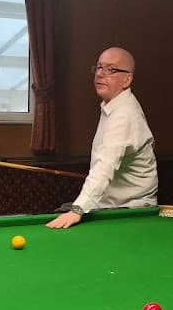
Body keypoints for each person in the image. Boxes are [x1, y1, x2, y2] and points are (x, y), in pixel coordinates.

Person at [46, 46, 158, 229]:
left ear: (127, 79)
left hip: (131, 212)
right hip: (113, 208)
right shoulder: (113, 107)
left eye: (111, 69)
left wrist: (78, 210)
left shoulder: (123, 115)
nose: (100, 74)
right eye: (98, 67)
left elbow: (104, 168)